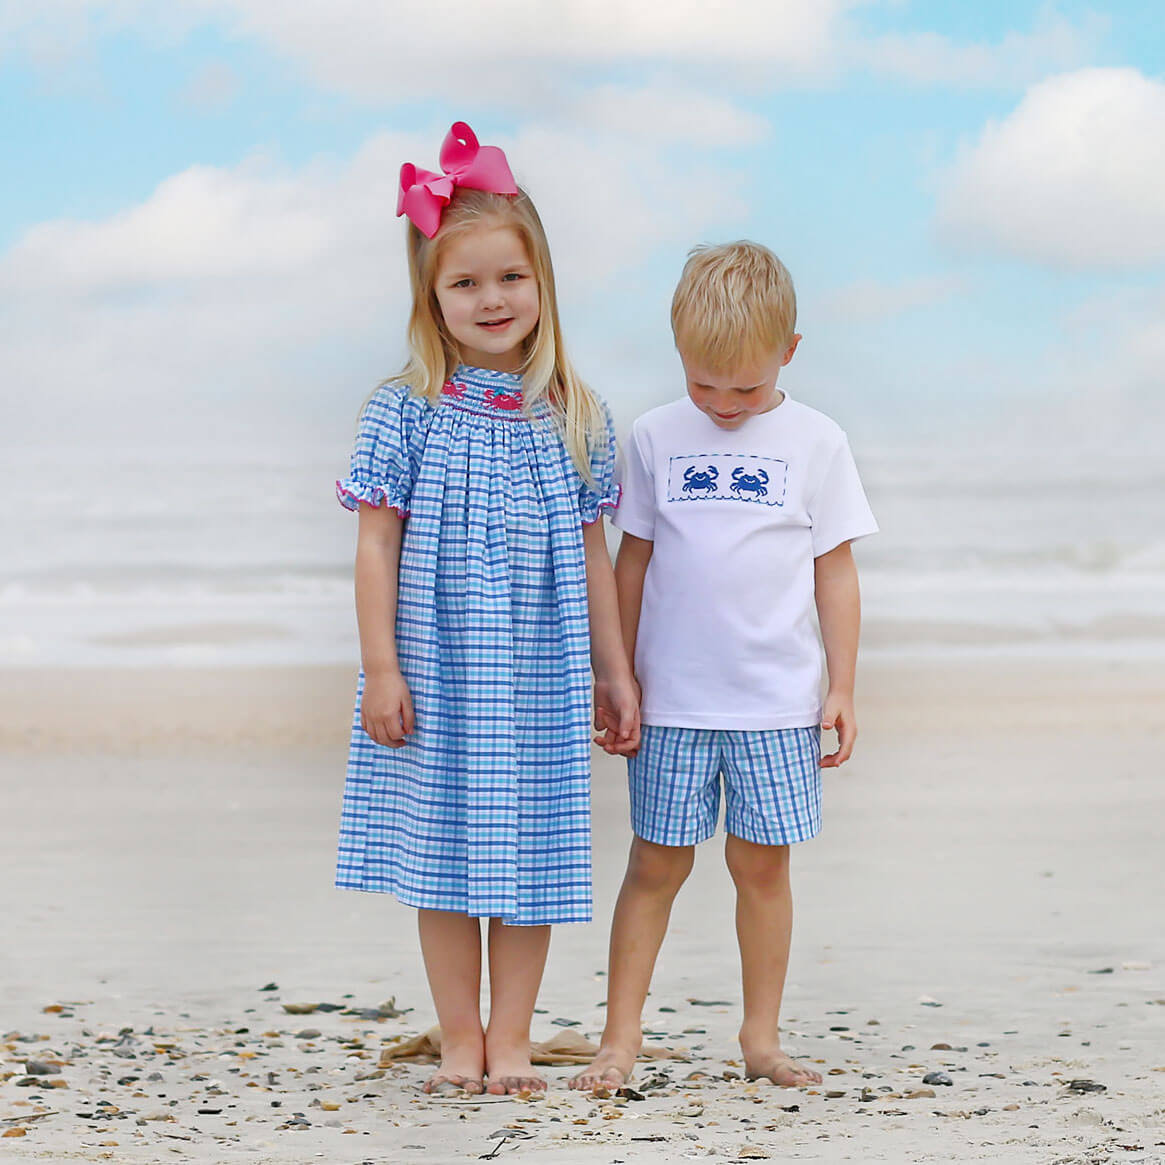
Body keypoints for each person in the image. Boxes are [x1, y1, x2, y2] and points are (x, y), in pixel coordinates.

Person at [335, 122, 639, 1098]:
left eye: (509, 277)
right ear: (430, 295)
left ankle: (512, 1040)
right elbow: (375, 543)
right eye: (464, 283)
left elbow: (592, 557)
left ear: (541, 281)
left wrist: (614, 668)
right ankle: (458, 1037)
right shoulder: (406, 407)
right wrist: (382, 665)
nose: (491, 299)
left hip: (540, 673)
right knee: (439, 856)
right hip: (435, 667)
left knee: (532, 851)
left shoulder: (578, 413)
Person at [570, 241, 877, 1091]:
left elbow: (834, 572)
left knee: (762, 866)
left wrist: (842, 684)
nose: (723, 404)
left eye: (743, 388)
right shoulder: (654, 435)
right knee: (654, 862)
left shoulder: (817, 441)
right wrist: (617, 673)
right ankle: (619, 1038)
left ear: (789, 351)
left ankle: (760, 1037)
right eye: (704, 385)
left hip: (776, 704)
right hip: (672, 701)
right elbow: (631, 562)